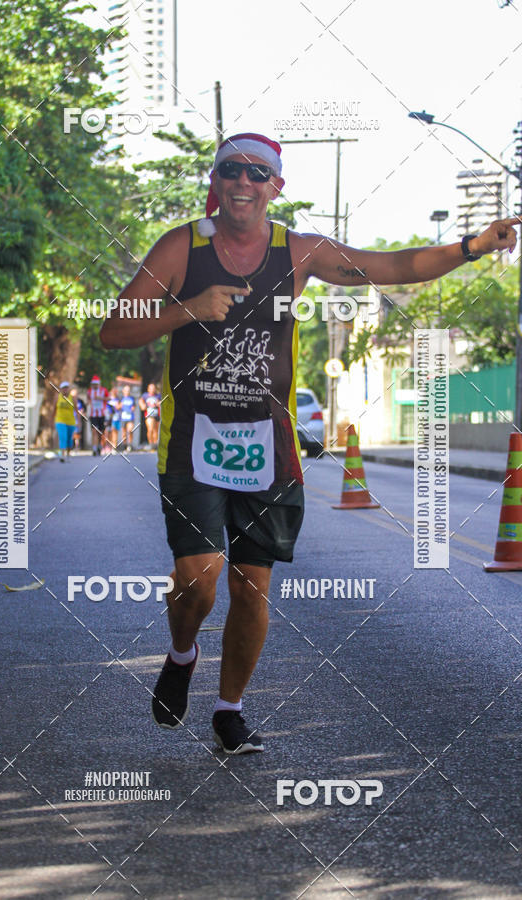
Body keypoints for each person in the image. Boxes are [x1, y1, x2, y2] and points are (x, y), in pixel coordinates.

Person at [100, 131, 519, 754]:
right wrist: (190, 308)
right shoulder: (180, 249)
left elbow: (394, 267)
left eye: (257, 173)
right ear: (215, 184)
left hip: (269, 448)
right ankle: (182, 653)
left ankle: (229, 709)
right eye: (231, 172)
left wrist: (474, 246)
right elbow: (114, 331)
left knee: (250, 586)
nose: (243, 183)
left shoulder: (299, 253)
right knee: (200, 577)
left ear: (276, 187)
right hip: (195, 440)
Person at [53, 381, 77, 462]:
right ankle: (62, 455)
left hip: (71, 421)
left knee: (69, 439)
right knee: (63, 437)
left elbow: (76, 410)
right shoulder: (57, 397)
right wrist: (52, 420)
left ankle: (68, 454)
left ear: (69, 389)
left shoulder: (72, 398)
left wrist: (79, 421)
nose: (65, 390)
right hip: (60, 420)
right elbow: (53, 409)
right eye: (63, 388)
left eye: (66, 388)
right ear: (61, 389)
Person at [87, 374, 108, 456]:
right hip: (93, 415)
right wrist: (88, 402)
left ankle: (99, 445)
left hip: (102, 414)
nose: (95, 385)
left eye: (96, 384)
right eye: (93, 384)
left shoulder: (103, 390)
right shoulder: (89, 391)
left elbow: (109, 398)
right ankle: (94, 448)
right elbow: (88, 399)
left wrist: (101, 398)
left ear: (99, 384)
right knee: (94, 431)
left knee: (101, 432)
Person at [139, 383, 161, 449]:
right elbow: (140, 401)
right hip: (149, 415)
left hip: (156, 415)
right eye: (151, 388)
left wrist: (158, 403)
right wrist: (142, 405)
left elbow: (161, 403)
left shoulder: (158, 396)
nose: (152, 390)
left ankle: (155, 444)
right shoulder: (145, 395)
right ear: (148, 389)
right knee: (150, 429)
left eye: (153, 388)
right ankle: (151, 443)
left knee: (156, 430)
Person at [119, 384, 136, 452]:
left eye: (128, 390)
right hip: (123, 418)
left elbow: (133, 407)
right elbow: (118, 406)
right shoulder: (121, 398)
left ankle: (130, 445)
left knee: (130, 430)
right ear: (123, 391)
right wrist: (121, 405)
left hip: (130, 417)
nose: (127, 391)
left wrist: (130, 409)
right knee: (124, 433)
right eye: (126, 390)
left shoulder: (132, 398)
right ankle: (124, 445)